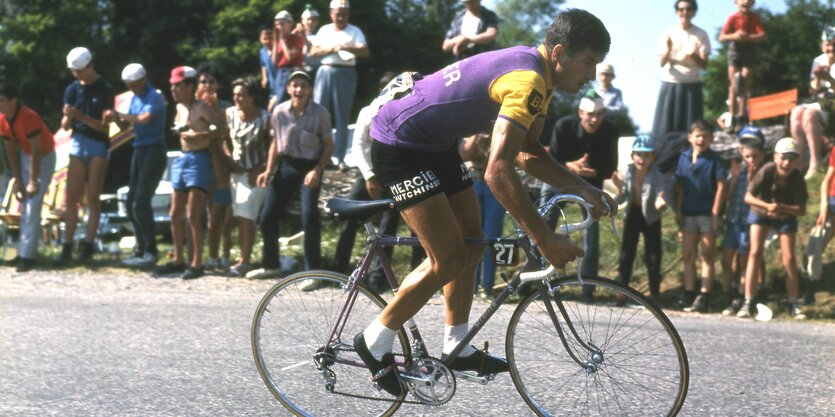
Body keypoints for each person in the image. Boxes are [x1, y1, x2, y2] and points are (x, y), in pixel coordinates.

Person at [353, 9, 614, 397]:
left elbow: (527, 154)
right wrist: (544, 239)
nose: (592, 75)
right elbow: (497, 171)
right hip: (399, 142)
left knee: (472, 243)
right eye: (589, 62)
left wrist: (584, 188)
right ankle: (374, 339)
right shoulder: (528, 80)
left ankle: (455, 344)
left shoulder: (541, 75)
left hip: (433, 142)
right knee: (448, 257)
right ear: (560, 53)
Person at [247, 70, 333, 280]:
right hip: (286, 165)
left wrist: (318, 169)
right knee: (267, 216)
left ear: (310, 90)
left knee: (309, 216)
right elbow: (275, 143)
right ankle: (271, 264)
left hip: (310, 166)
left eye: (303, 86)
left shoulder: (320, 113)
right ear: (288, 89)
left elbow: (329, 145)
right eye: (295, 85)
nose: (299, 90)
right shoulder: (279, 111)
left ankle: (313, 272)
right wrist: (268, 170)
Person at [540, 90, 619, 299]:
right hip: (558, 178)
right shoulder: (563, 126)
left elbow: (611, 166)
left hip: (590, 184)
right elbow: (551, 160)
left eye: (599, 115)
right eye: (590, 115)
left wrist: (593, 172)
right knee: (543, 227)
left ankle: (588, 288)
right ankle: (537, 282)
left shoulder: (610, 130)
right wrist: (570, 167)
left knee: (591, 234)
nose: (594, 120)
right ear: (580, 113)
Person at [153, 66, 226, 279]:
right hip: (183, 158)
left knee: (193, 214)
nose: (173, 89)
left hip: (199, 158)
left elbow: (220, 129)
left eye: (178, 85)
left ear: (189, 86)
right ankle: (178, 258)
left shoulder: (201, 106)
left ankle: (197, 262)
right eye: (172, 86)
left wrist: (199, 134)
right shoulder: (179, 108)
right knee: (174, 213)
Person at [333, 73, 400, 293]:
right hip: (367, 172)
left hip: (392, 174)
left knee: (388, 225)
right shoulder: (367, 112)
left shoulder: (402, 112)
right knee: (349, 216)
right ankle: (338, 270)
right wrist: (370, 176)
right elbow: (358, 147)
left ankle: (377, 277)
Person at [55, 47, 115, 266]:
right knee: (71, 199)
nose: (77, 75)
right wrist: (68, 119)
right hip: (78, 142)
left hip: (98, 143)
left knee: (92, 197)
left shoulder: (105, 89)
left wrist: (80, 116)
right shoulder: (72, 89)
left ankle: (88, 245)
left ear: (90, 66)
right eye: (74, 71)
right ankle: (67, 246)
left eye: (80, 70)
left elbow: (104, 128)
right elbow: (64, 124)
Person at [737, 138, 808, 319]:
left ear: (797, 161)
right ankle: (748, 301)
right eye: (783, 158)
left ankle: (794, 302)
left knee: (789, 259)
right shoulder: (767, 170)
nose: (787, 163)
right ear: (775, 157)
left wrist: (781, 208)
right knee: (754, 253)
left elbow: (801, 210)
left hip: (784, 216)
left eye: (792, 159)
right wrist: (768, 207)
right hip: (761, 212)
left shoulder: (797, 177)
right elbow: (748, 197)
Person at [0, 83, 57, 272]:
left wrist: (33, 181)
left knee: (33, 204)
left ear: (13, 101)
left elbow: (38, 150)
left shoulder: (28, 117)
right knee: (24, 203)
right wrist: (18, 181)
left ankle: (27, 256)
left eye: (1, 100)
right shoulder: (3, 119)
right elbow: (9, 151)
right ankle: (24, 251)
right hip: (26, 156)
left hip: (43, 156)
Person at [116, 64, 168, 269]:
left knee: (141, 201)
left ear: (144, 79)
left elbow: (144, 119)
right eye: (130, 86)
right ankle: (140, 248)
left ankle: (151, 251)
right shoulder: (135, 98)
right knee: (131, 203)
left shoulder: (154, 96)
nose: (134, 89)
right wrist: (116, 119)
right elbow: (130, 125)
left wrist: (120, 115)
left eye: (136, 85)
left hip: (154, 150)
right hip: (139, 150)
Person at [674, 119, 727, 313]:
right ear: (690, 137)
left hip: (707, 213)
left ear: (711, 139)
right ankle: (688, 291)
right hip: (688, 212)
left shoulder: (715, 160)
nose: (701, 139)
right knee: (688, 254)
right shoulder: (684, 157)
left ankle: (704, 294)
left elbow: (722, 186)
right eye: (697, 135)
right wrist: (678, 210)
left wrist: (715, 213)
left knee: (707, 255)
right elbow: (680, 187)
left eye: (705, 136)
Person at [309, 0, 368, 170]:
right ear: (331, 14)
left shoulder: (355, 31)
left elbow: (364, 51)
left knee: (342, 116)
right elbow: (313, 52)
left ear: (348, 14)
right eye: (337, 14)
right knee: (320, 113)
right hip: (325, 70)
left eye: (343, 14)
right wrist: (332, 49)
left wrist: (347, 47)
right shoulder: (324, 30)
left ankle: (340, 158)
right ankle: (319, 156)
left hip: (345, 72)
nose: (340, 17)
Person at [226, 77, 271, 277]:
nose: (237, 99)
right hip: (237, 172)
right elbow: (222, 138)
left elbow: (272, 146)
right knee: (239, 215)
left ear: (252, 97)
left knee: (247, 215)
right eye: (235, 95)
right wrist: (228, 158)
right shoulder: (229, 114)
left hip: (257, 173)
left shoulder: (265, 118)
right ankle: (243, 257)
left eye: (242, 95)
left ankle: (245, 259)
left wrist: (262, 169)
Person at [615, 135, 667, 301]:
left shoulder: (656, 173)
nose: (642, 159)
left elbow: (661, 191)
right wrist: (618, 187)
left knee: (653, 256)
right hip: (633, 214)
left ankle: (654, 293)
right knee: (626, 255)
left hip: (651, 217)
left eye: (646, 155)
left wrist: (660, 200)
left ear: (652, 158)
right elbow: (622, 197)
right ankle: (622, 290)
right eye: (639, 154)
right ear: (632, 157)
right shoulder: (629, 171)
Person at [720, 127, 766, 316]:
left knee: (744, 260)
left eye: (755, 156)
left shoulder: (762, 172)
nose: (751, 160)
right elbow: (728, 196)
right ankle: (729, 294)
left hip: (750, 222)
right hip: (733, 219)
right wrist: (736, 177)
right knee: (726, 258)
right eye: (747, 155)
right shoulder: (736, 170)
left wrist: (751, 176)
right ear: (741, 152)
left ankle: (741, 296)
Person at [196, 63, 235, 272]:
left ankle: (226, 256)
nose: (207, 85)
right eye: (203, 81)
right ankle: (209, 257)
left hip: (222, 165)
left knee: (225, 216)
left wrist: (214, 109)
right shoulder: (193, 106)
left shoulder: (227, 106)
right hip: (202, 163)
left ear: (218, 84)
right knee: (207, 215)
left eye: (211, 81)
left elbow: (228, 129)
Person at [652, 0, 710, 137]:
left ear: (694, 12)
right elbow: (661, 62)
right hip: (670, 82)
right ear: (677, 11)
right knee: (665, 128)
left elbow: (705, 65)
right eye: (681, 9)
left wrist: (693, 55)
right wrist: (668, 49)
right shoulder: (668, 32)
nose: (685, 12)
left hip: (692, 84)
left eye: (689, 9)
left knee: (692, 129)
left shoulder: (701, 34)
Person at [459, 131, 506, 298]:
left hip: (496, 183)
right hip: (472, 182)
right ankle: (469, 285)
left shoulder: (502, 125)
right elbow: (462, 154)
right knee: (472, 235)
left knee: (494, 236)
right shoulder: (468, 124)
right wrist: (476, 134)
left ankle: (488, 286)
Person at [790, 26, 835, 178]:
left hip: (833, 102)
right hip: (821, 99)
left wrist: (829, 79)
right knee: (796, 113)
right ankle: (800, 161)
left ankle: (815, 163)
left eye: (834, 44)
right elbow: (813, 91)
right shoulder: (818, 60)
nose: (831, 47)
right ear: (823, 45)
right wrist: (817, 78)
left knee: (809, 115)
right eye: (828, 44)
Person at [718, 0, 766, 131]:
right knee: (733, 83)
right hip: (735, 51)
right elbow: (722, 37)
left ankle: (741, 117)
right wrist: (734, 35)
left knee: (744, 81)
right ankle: (732, 116)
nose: (746, 2)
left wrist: (748, 37)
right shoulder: (733, 18)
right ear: (736, 2)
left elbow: (762, 35)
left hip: (749, 51)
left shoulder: (754, 18)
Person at [269, 10, 306, 110]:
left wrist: (282, 41)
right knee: (279, 101)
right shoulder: (279, 41)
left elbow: (289, 57)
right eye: (277, 24)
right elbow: (274, 61)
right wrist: (276, 42)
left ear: (289, 24)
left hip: (292, 71)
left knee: (286, 100)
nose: (279, 27)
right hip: (281, 73)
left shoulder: (297, 38)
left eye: (282, 24)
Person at [300, 4, 323, 80]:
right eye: (308, 19)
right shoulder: (296, 36)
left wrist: (304, 38)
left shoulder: (321, 36)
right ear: (302, 21)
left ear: (317, 22)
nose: (310, 22)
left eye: (313, 20)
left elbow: (314, 52)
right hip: (300, 70)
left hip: (316, 70)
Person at [258, 26, 277, 101]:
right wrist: (264, 78)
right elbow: (263, 65)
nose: (267, 41)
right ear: (260, 39)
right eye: (265, 39)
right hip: (272, 86)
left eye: (270, 39)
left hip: (281, 84)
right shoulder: (262, 52)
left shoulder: (277, 51)